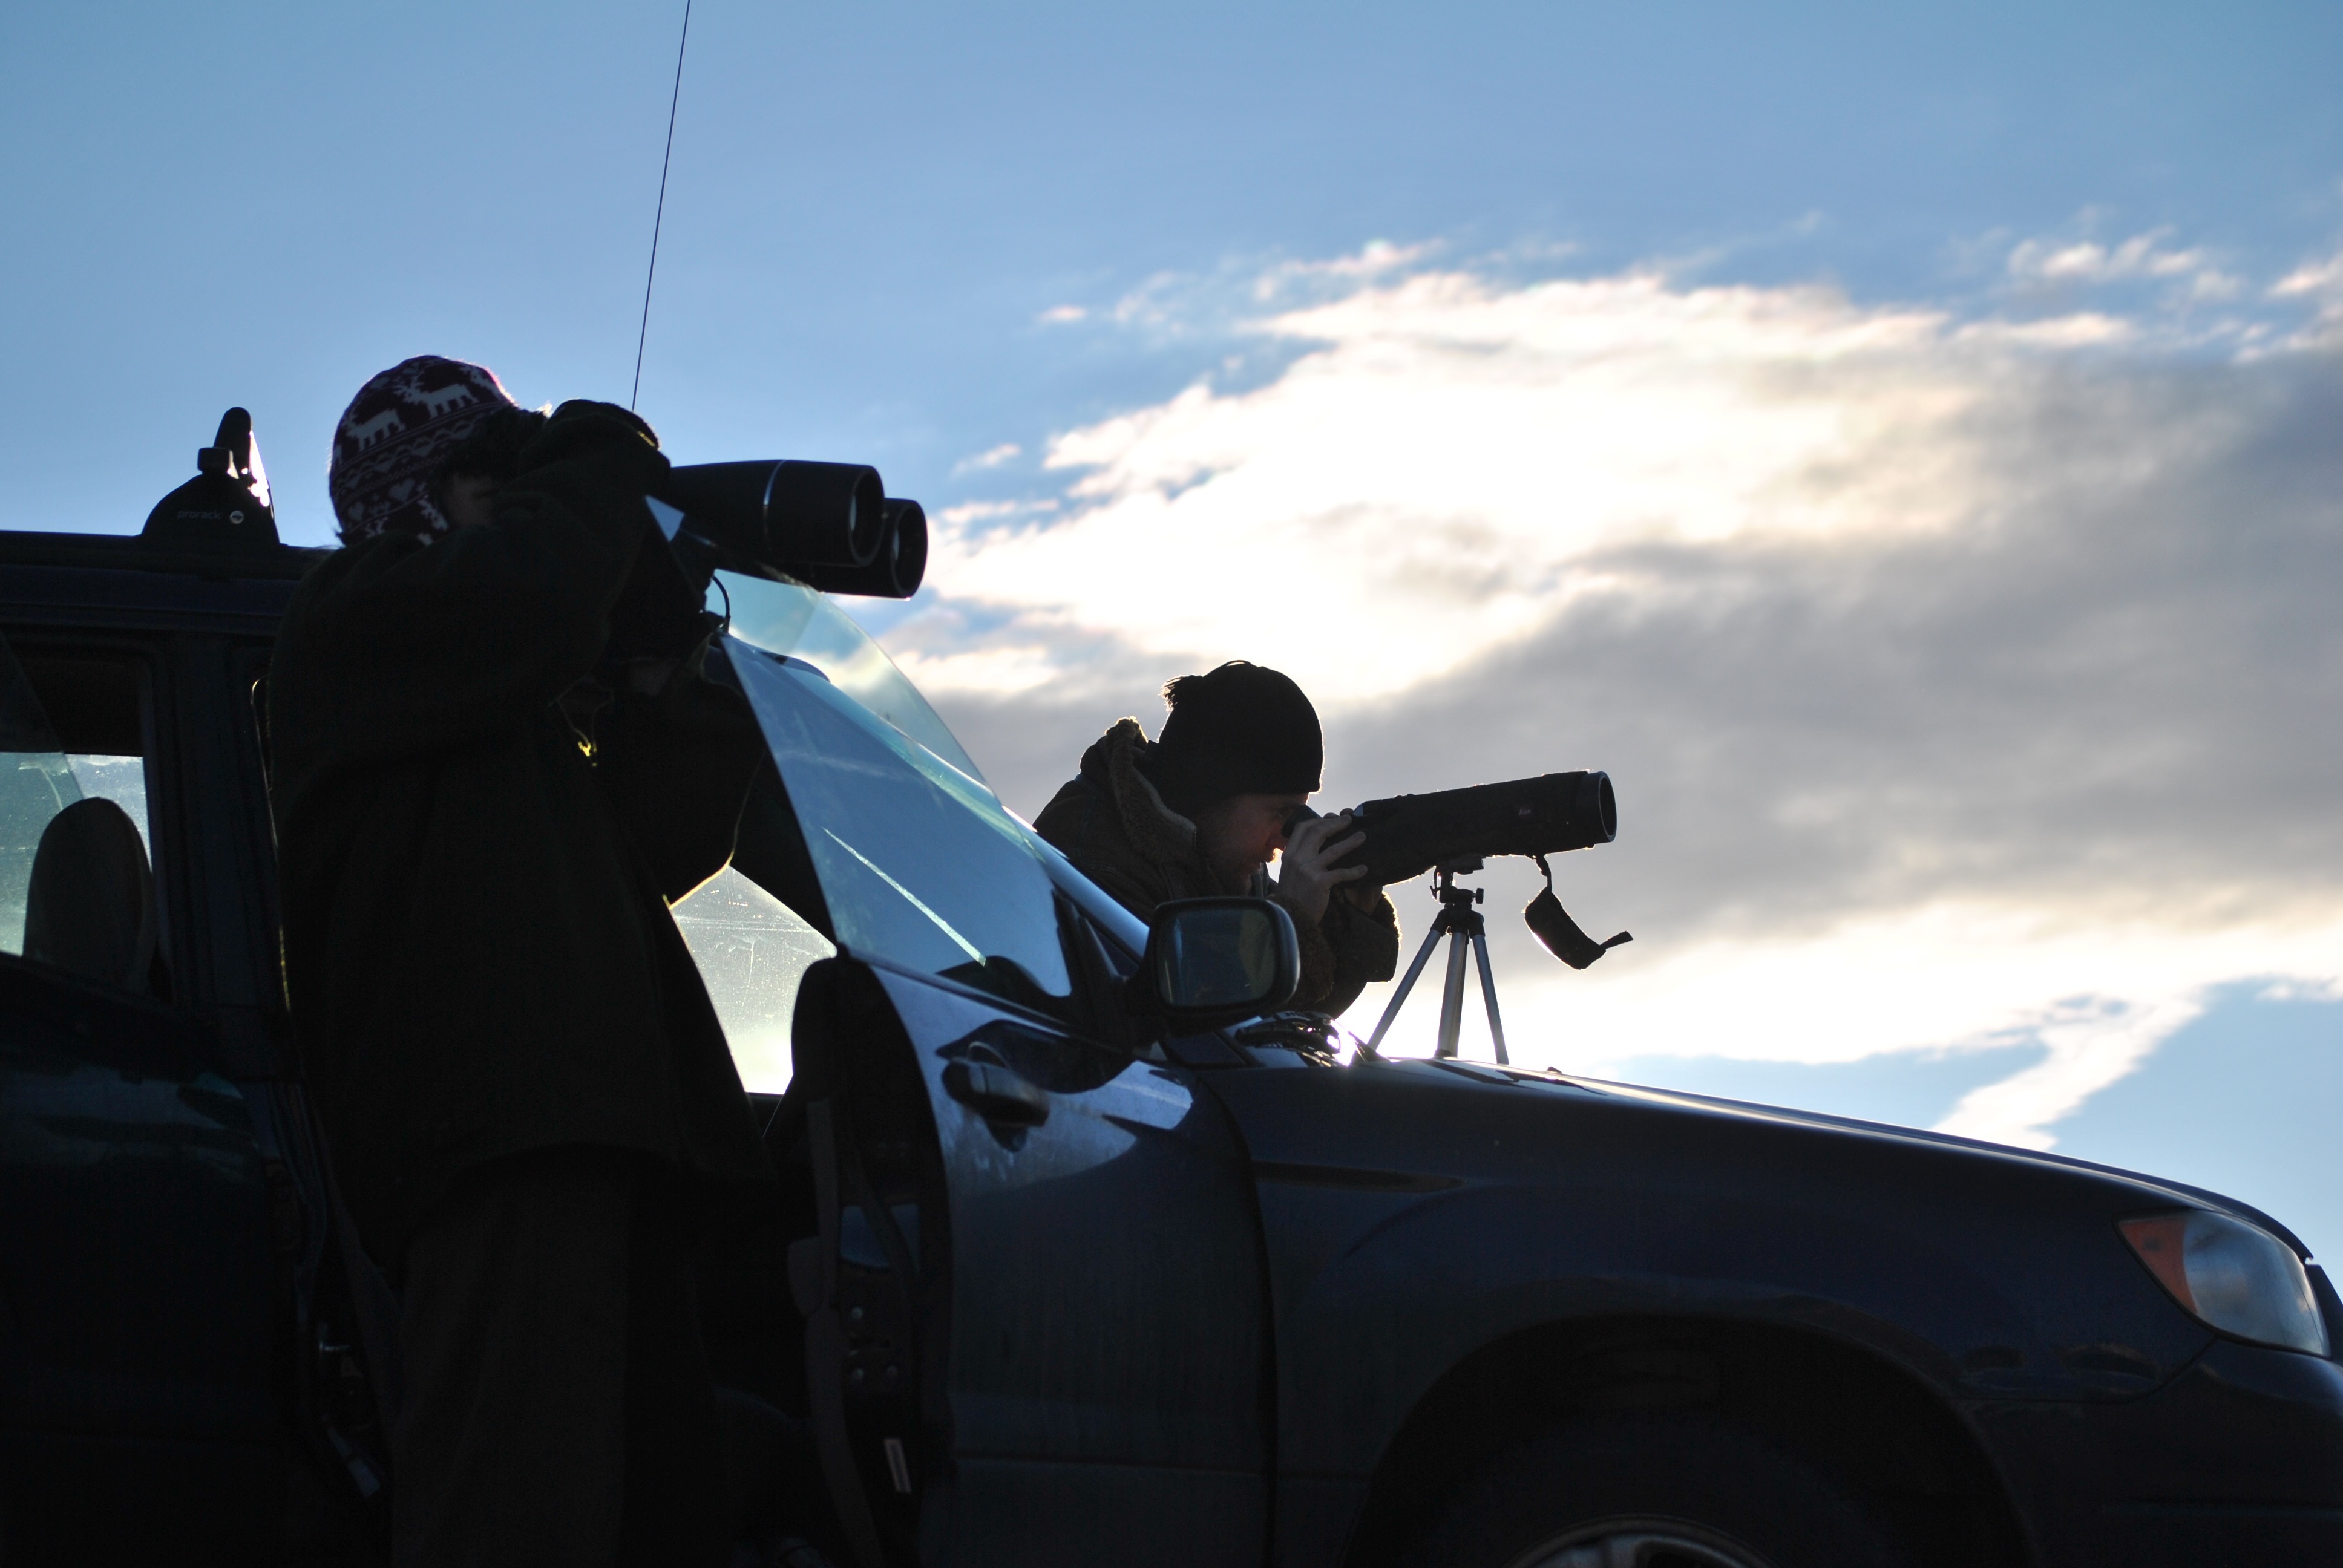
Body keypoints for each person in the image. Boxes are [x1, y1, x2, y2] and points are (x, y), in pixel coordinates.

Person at [268, 356, 776, 1567]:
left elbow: (664, 842)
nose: (539, 505)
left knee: (641, 1515)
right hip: (493, 1142)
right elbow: (524, 595)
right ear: (425, 496)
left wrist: (665, 671)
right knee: (512, 1514)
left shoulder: (495, 702)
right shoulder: (353, 622)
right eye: (505, 481)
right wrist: (601, 466)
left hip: (590, 1137)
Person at [1035, 661, 1398, 1016]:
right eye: (1280, 813)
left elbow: (1292, 1022)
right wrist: (1291, 919)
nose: (1286, 840)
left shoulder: (1222, 859)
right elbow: (1180, 1020)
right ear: (1209, 792)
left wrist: (1352, 914)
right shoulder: (1093, 857)